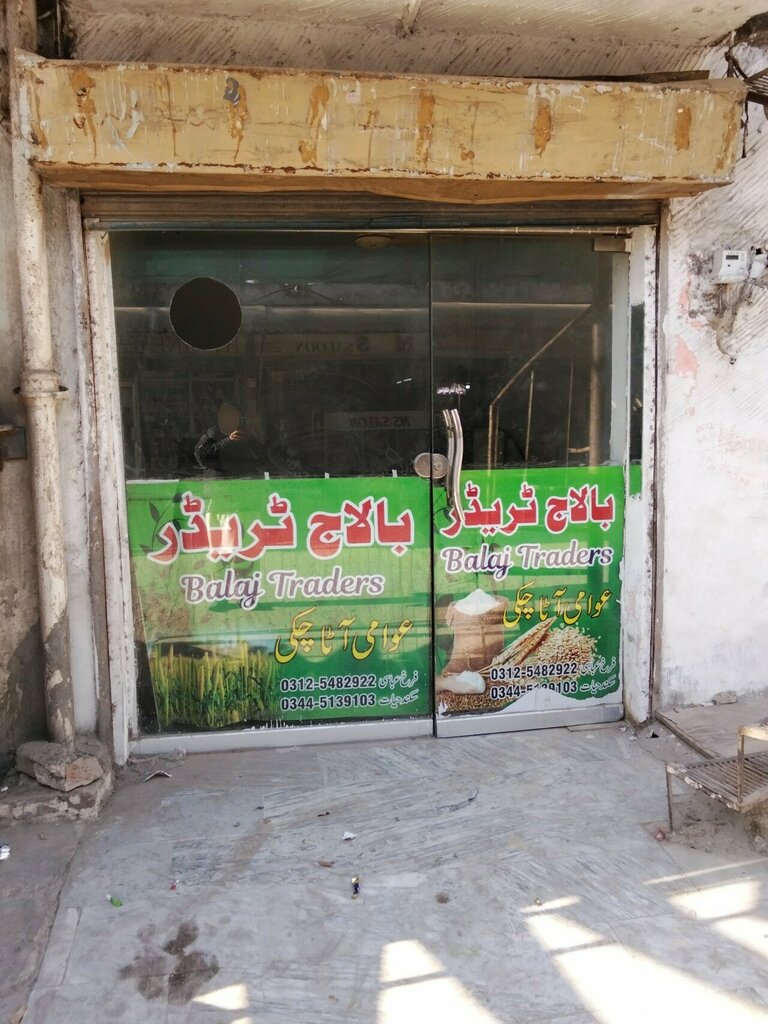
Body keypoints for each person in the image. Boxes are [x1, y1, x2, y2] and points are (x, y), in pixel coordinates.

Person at [194, 402, 266, 477]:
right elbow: (201, 456)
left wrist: (250, 440)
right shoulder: (213, 433)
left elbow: (263, 460)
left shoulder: (245, 435)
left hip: (243, 483)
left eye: (233, 417)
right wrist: (228, 440)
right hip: (218, 484)